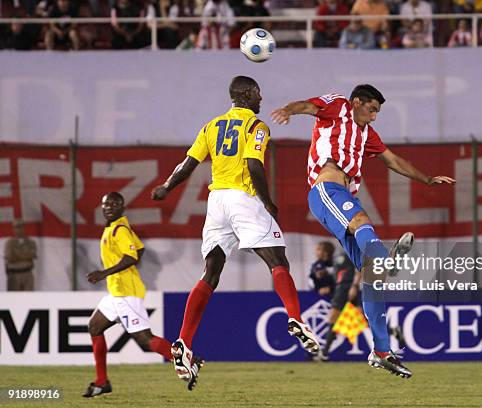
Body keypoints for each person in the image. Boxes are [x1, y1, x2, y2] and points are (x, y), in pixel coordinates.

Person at [271, 85, 455, 378]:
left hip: (344, 194)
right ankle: (384, 258)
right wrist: (288, 111)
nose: (373, 117)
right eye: (371, 110)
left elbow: (393, 160)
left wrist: (428, 179)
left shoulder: (367, 135)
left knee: (372, 276)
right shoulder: (339, 107)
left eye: (377, 112)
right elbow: (308, 106)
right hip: (325, 189)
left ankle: (381, 350)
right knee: (361, 220)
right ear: (357, 102)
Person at [151, 75, 320, 386]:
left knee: (210, 272)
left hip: (216, 203)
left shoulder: (211, 126)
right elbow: (254, 166)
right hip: (244, 198)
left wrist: (166, 186)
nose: (261, 98)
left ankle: (184, 342)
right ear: (246, 94)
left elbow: (187, 165)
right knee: (277, 261)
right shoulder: (256, 127)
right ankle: (296, 317)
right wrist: (268, 202)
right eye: (257, 93)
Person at [83, 192, 183, 397]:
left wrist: (103, 273)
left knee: (145, 341)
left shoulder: (119, 229)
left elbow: (131, 256)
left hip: (126, 292)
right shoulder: (116, 228)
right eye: (105, 204)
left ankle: (185, 360)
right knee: (94, 326)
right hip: (116, 292)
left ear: (122, 207)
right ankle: (102, 382)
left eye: (114, 203)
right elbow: (139, 249)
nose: (108, 207)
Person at [4, 219, 37, 291]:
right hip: (14, 275)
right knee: (14, 300)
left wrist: (17, 255)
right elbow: (10, 258)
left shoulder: (31, 242)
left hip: (27, 274)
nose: (19, 229)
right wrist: (26, 256)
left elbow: (33, 255)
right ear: (13, 229)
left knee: (28, 300)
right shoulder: (9, 243)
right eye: (17, 227)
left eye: (21, 226)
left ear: (24, 228)